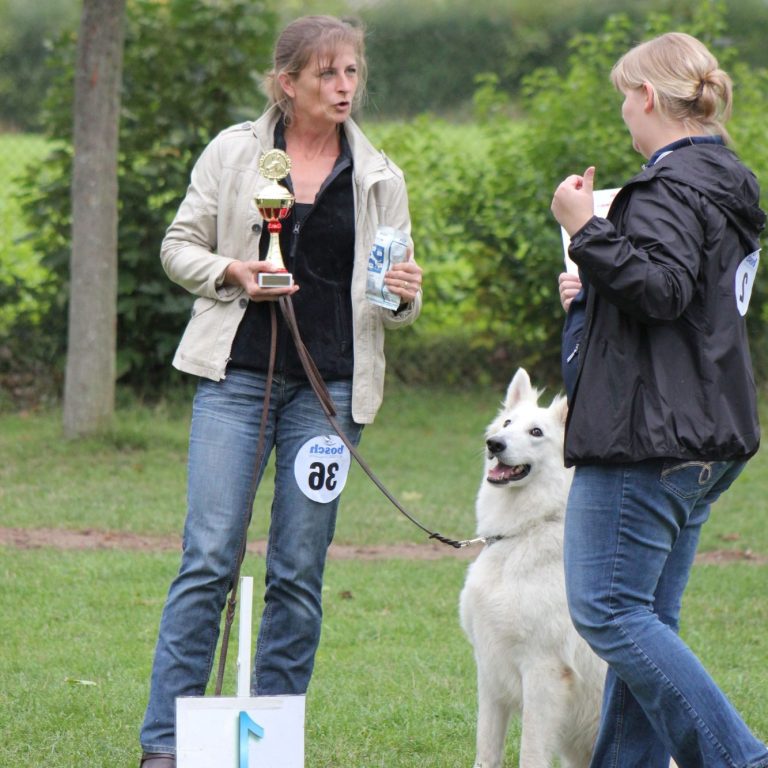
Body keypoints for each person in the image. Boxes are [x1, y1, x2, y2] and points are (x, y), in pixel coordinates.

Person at [138, 15, 422, 767]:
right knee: (209, 558)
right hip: (234, 382)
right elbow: (178, 247)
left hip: (329, 396)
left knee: (299, 572)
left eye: (353, 72)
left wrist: (404, 292)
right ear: (287, 82)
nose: (343, 87)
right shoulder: (236, 153)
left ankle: (266, 746)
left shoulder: (379, 175)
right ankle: (165, 746)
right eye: (327, 74)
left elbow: (395, 298)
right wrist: (234, 272)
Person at [551, 32, 768, 768]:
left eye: (624, 95)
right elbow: (684, 301)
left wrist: (586, 231)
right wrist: (594, 290)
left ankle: (740, 758)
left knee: (609, 614)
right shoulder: (724, 182)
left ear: (647, 97)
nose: (622, 112)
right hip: (705, 434)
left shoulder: (668, 185)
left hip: (650, 439)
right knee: (647, 618)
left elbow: (664, 290)